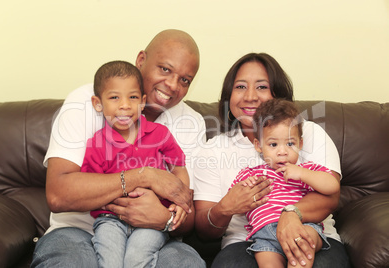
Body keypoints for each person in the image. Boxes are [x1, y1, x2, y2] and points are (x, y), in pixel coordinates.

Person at [32, 29, 206, 268]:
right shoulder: (85, 102)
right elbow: (58, 194)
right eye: (165, 69)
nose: (172, 85)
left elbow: (189, 214)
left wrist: (165, 219)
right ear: (142, 60)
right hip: (81, 230)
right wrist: (142, 176)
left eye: (185, 80)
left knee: (186, 263)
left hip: (156, 234)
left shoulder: (191, 122)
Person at [193, 53, 350, 267]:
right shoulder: (213, 150)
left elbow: (331, 196)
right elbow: (203, 231)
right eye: (240, 87)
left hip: (310, 231)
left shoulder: (309, 134)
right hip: (245, 242)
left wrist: (291, 213)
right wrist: (225, 208)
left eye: (261, 87)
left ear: (278, 93)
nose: (250, 96)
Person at [81, 60, 190, 267]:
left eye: (132, 97)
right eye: (114, 98)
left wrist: (180, 199)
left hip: (152, 221)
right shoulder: (96, 144)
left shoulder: (160, 134)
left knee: (136, 259)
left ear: (142, 101)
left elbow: (178, 166)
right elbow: (89, 189)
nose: (124, 105)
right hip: (110, 220)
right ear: (98, 103)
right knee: (110, 261)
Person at [229, 98, 339, 268]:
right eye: (273, 144)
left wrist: (303, 174)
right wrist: (246, 186)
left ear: (300, 144)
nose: (282, 152)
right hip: (264, 232)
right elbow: (233, 199)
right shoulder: (251, 173)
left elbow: (332, 186)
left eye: (290, 143)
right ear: (259, 146)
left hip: (302, 226)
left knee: (302, 253)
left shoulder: (306, 169)